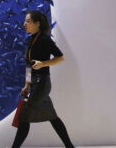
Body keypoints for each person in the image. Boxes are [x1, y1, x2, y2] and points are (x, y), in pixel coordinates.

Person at [11, 10, 75, 148]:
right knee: (53, 117)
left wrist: (43, 64)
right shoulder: (30, 39)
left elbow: (60, 58)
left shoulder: (45, 39)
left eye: (27, 21)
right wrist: (27, 85)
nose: (24, 24)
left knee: (24, 116)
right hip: (34, 84)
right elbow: (29, 64)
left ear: (37, 23)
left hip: (43, 83)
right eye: (25, 21)